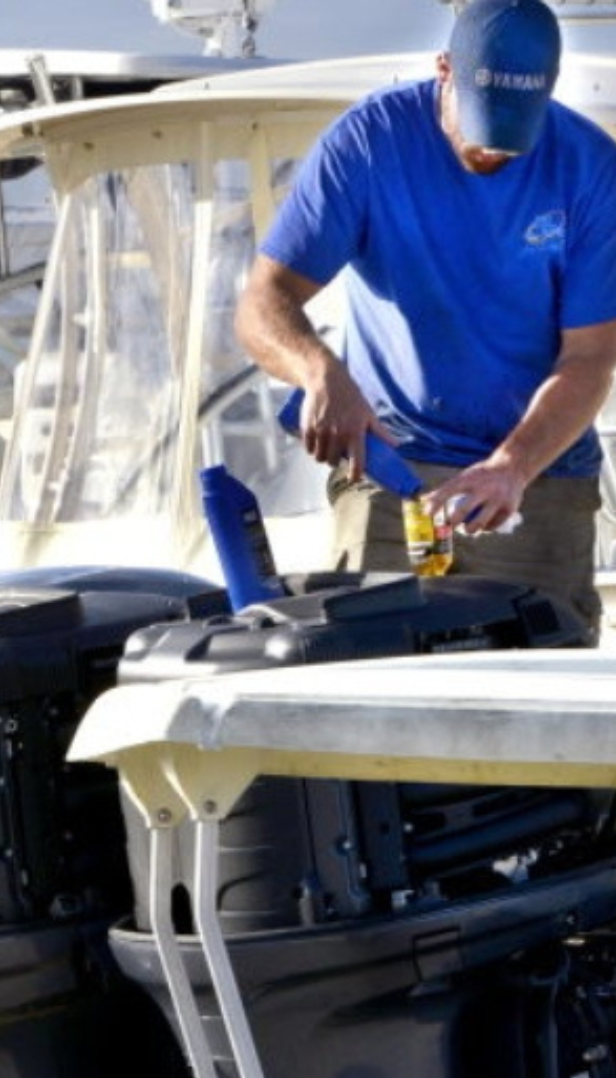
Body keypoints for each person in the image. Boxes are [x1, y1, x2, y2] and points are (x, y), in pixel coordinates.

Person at [234, 0, 616, 632]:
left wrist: (511, 467)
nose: (492, 154)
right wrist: (320, 372)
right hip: (393, 474)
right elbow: (263, 301)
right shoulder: (368, 142)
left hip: (539, 478)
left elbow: (590, 358)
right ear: (444, 70)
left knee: (537, 701)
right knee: (360, 679)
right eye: (479, 128)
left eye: (513, 141)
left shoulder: (594, 170)